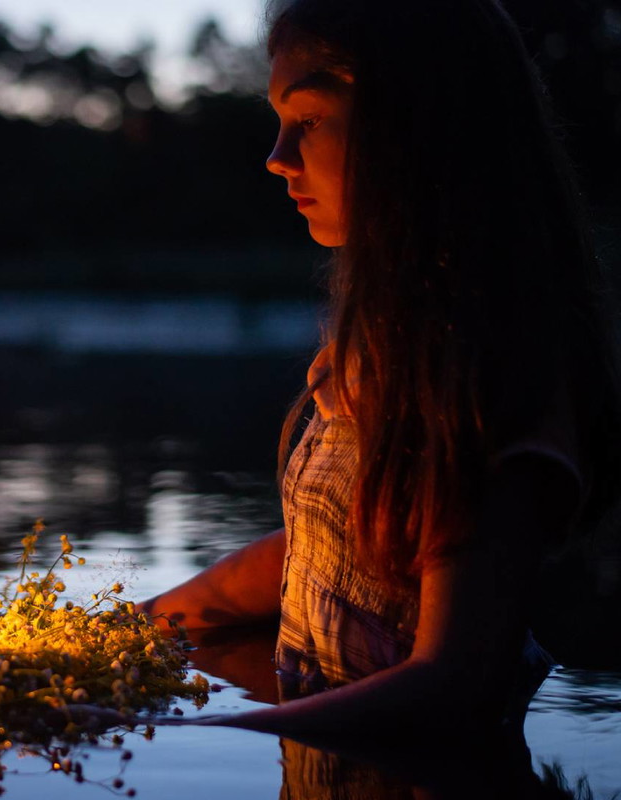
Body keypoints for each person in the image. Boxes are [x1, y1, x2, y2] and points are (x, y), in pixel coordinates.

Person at [140, 0, 621, 739]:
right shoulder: (380, 351)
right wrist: (133, 625)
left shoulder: (493, 374)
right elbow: (336, 547)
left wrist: (205, 734)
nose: (277, 156)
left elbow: (452, 684)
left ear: (421, 127)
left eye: (309, 118)